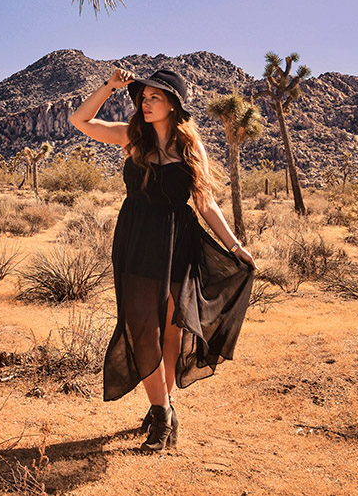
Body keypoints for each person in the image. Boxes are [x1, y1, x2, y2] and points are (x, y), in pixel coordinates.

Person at [69, 67, 257, 452]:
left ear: (173, 104)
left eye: (155, 97)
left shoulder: (191, 148)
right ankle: (163, 411)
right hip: (137, 238)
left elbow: (205, 204)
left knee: (173, 327)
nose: (146, 102)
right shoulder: (130, 137)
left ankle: (161, 406)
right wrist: (109, 87)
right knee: (140, 325)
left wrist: (236, 246)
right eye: (143, 97)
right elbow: (80, 120)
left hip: (178, 239)